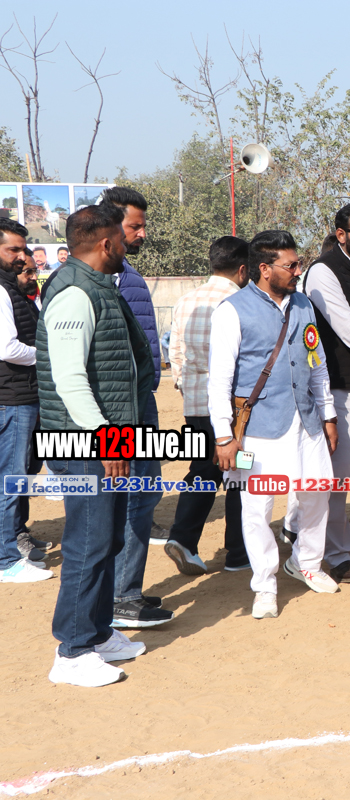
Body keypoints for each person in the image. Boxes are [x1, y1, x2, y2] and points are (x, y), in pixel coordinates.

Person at [40, 203, 154, 686]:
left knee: (106, 539)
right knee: (88, 543)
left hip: (108, 438)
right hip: (86, 443)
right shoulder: (74, 294)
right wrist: (107, 440)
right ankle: (71, 652)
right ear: (106, 243)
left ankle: (98, 632)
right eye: (122, 238)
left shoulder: (99, 287)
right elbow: (69, 379)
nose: (128, 244)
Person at [209, 230, 340, 621]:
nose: (298, 271)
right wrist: (223, 436)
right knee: (257, 509)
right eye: (292, 265)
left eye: (298, 264)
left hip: (308, 422)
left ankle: (306, 562)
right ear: (264, 269)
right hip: (257, 432)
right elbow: (219, 381)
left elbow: (317, 363)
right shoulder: (231, 311)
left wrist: (328, 414)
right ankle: (265, 585)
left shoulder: (303, 305)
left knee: (317, 493)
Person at [291, 202, 350, 584]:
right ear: (342, 235)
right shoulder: (322, 272)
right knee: (334, 481)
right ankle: (339, 556)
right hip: (339, 392)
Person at [97, 187, 173, 629]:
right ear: (110, 228)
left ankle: (125, 591)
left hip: (141, 403)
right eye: (134, 226)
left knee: (143, 496)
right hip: (118, 412)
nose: (142, 234)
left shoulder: (127, 276)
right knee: (125, 500)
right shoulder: (96, 282)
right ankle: (118, 598)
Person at [163, 236, 251, 576]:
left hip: (196, 403)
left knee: (202, 469)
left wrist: (186, 388)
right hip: (231, 408)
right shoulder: (241, 302)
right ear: (243, 269)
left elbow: (175, 353)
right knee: (239, 475)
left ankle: (183, 538)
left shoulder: (186, 300)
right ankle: (238, 552)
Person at [0, 219, 47, 583]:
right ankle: (6, 560)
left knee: (21, 474)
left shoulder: (13, 290)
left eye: (22, 248)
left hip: (24, 395)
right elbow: (7, 348)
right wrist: (47, 356)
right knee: (11, 479)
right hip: (13, 398)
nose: (20, 256)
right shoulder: (1, 291)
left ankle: (16, 537)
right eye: (12, 249)